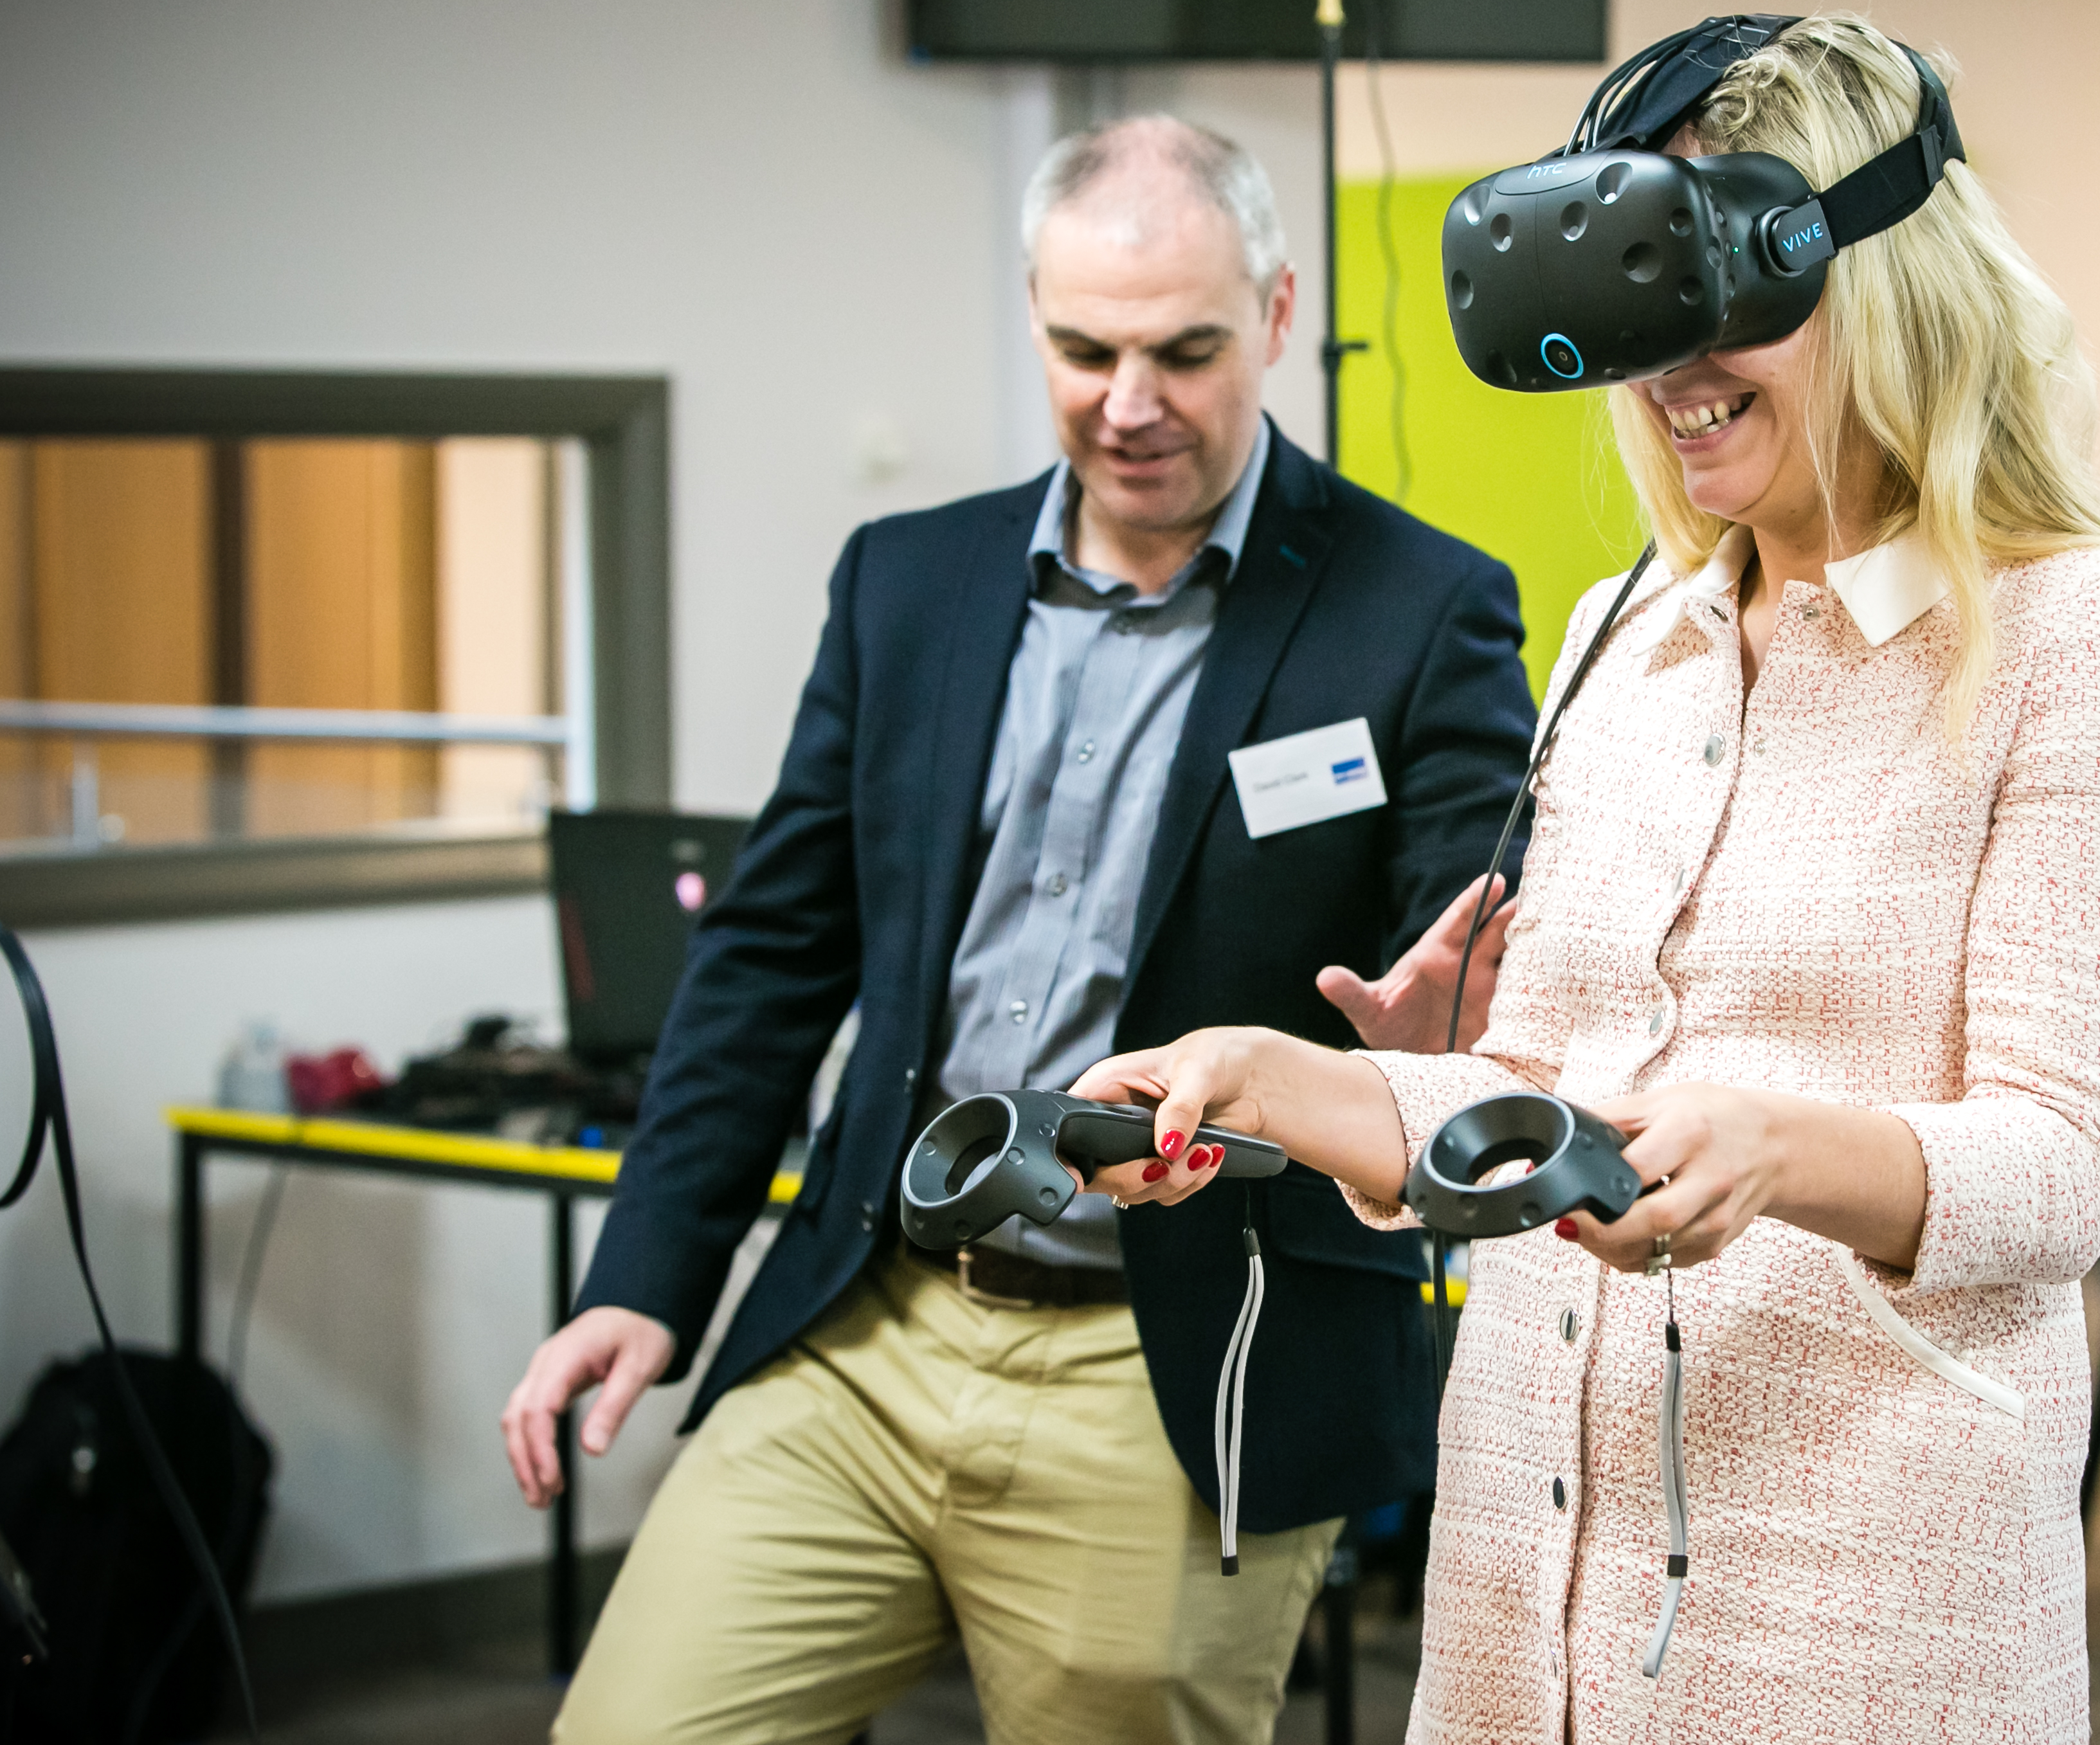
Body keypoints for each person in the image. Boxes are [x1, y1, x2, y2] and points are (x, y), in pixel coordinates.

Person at [1075, 15, 2100, 1742]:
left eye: (1710, 293)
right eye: (1630, 304)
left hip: (1851, 1599)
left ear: (1879, 276)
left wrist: (1775, 1148)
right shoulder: (1623, 640)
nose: (1668, 367)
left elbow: (2062, 1166)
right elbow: (1541, 1107)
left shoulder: (2077, 635)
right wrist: (1272, 1083)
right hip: (1521, 1572)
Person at [499, 115, 1538, 1745]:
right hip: (868, 1321)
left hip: (1174, 1354)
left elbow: (1473, 928)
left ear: (1275, 314)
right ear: (1036, 320)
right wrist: (645, 1275)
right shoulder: (907, 582)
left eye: (1185, 351)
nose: (1130, 403)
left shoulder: (1417, 605)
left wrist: (1443, 1029)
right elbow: (770, 956)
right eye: (1086, 350)